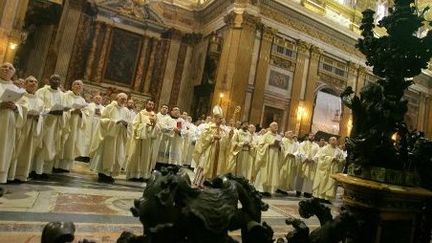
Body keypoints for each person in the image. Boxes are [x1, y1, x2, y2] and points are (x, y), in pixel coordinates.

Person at [8, 76, 44, 182]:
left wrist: (38, 117)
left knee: (28, 152)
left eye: (36, 82)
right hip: (20, 128)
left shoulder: (40, 101)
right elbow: (14, 109)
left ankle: (22, 175)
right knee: (16, 150)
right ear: (25, 84)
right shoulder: (19, 96)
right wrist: (24, 112)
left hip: (33, 129)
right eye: (31, 81)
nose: (33, 83)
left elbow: (42, 114)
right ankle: (11, 174)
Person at [90, 93, 131, 183]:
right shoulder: (109, 107)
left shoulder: (126, 111)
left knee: (116, 155)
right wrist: (115, 122)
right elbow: (103, 120)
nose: (123, 100)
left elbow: (129, 124)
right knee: (106, 154)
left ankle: (110, 174)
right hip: (109, 136)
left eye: (125, 99)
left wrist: (126, 124)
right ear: (117, 98)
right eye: (122, 98)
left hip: (119, 136)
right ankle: (102, 174)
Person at [32, 74, 66, 179]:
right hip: (44, 122)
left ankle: (44, 170)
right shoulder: (42, 91)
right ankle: (35, 170)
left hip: (55, 124)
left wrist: (62, 113)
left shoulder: (62, 95)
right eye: (54, 79)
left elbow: (64, 108)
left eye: (58, 80)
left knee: (50, 146)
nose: (56, 81)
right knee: (41, 146)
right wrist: (49, 111)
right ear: (49, 81)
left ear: (60, 82)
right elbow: (37, 105)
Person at [193, 105, 231, 187]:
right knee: (204, 166)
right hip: (209, 151)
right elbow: (203, 139)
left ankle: (211, 184)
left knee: (216, 167)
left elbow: (225, 140)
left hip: (218, 152)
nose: (221, 120)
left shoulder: (222, 129)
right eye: (220, 118)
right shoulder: (208, 127)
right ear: (215, 118)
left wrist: (229, 136)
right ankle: (199, 183)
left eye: (222, 118)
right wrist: (212, 137)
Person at [56, 80, 88, 173]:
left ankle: (66, 166)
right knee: (63, 142)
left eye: (81, 85)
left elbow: (86, 113)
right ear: (72, 86)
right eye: (77, 84)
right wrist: (71, 111)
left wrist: (81, 113)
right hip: (66, 124)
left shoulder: (82, 100)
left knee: (72, 144)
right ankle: (57, 165)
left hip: (76, 125)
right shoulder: (65, 95)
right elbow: (61, 108)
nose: (79, 86)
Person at [0, 63, 25, 183]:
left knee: (5, 150)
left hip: (9, 123)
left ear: (13, 73)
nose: (7, 69)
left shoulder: (16, 89)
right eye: (4, 67)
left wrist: (15, 107)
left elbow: (22, 107)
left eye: (10, 68)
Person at [125, 100, 159, 182]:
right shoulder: (140, 114)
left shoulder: (155, 115)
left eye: (152, 104)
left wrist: (154, 125)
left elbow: (158, 128)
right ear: (146, 104)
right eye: (149, 104)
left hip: (148, 140)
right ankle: (134, 175)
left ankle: (144, 175)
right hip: (139, 139)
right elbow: (134, 125)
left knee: (146, 158)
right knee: (136, 156)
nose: (151, 105)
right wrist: (144, 126)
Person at [312, 137, 345, 202]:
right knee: (323, 182)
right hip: (325, 169)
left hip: (333, 170)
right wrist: (331, 159)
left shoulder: (338, 150)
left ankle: (327, 198)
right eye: (333, 140)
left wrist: (339, 160)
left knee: (331, 183)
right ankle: (319, 197)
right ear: (329, 141)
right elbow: (321, 157)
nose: (334, 141)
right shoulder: (324, 148)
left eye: (335, 140)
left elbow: (343, 159)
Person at [254, 122, 282, 196]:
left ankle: (268, 190)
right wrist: (269, 144)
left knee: (272, 171)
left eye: (277, 125)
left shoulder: (278, 137)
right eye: (274, 125)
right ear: (270, 127)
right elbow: (260, 146)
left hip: (275, 156)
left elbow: (282, 147)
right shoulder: (266, 135)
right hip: (267, 155)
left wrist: (279, 147)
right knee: (264, 171)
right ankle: (260, 189)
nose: (276, 126)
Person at [295, 133, 319, 197]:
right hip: (303, 163)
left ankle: (307, 192)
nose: (312, 136)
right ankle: (298, 191)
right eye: (311, 135)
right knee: (301, 177)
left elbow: (318, 154)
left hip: (311, 164)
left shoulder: (316, 146)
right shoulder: (302, 144)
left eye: (313, 136)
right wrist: (305, 158)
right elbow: (300, 151)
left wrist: (313, 159)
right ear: (308, 136)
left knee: (309, 178)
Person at [82, 94, 105, 159]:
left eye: (99, 98)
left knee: (95, 139)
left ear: (101, 100)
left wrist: (101, 114)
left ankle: (92, 155)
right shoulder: (89, 105)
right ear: (93, 99)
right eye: (97, 98)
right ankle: (84, 155)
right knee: (87, 138)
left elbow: (105, 115)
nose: (98, 99)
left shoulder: (103, 108)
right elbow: (85, 112)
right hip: (89, 124)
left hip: (98, 125)